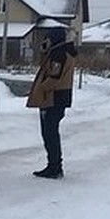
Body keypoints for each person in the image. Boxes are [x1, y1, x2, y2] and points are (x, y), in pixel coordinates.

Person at [27, 25, 78, 179]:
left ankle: (54, 166)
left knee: (49, 133)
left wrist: (40, 89)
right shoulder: (65, 52)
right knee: (51, 132)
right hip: (59, 96)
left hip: (52, 97)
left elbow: (54, 76)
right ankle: (54, 164)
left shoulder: (58, 54)